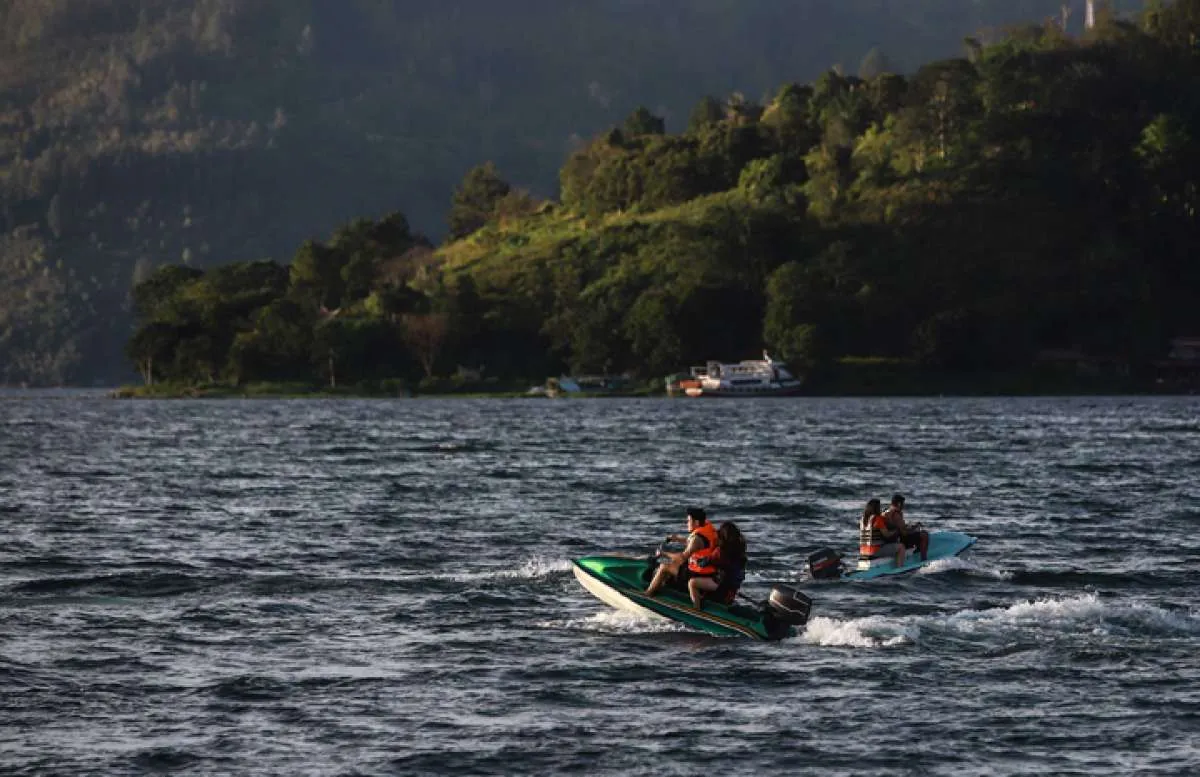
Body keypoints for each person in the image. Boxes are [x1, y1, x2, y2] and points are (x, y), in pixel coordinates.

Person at [644, 507, 718, 597]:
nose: (686, 523)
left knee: (665, 565)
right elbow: (695, 544)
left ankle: (648, 594)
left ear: (696, 522)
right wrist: (677, 539)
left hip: (697, 574)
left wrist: (664, 554)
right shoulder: (707, 529)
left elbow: (682, 557)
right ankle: (662, 586)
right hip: (705, 571)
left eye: (688, 520)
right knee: (670, 562)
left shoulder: (697, 539)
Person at [688, 521, 748, 609]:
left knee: (692, 583)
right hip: (731, 589)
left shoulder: (720, 552)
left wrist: (696, 560)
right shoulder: (740, 550)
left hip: (721, 587)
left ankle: (696, 610)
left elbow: (704, 562)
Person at [882, 494, 929, 563]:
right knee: (924, 534)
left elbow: (897, 527)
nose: (904, 506)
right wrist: (914, 528)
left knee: (916, 532)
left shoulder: (886, 511)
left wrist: (911, 527)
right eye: (903, 504)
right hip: (899, 540)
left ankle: (916, 552)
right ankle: (923, 560)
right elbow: (904, 533)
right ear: (899, 504)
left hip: (890, 540)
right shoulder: (896, 515)